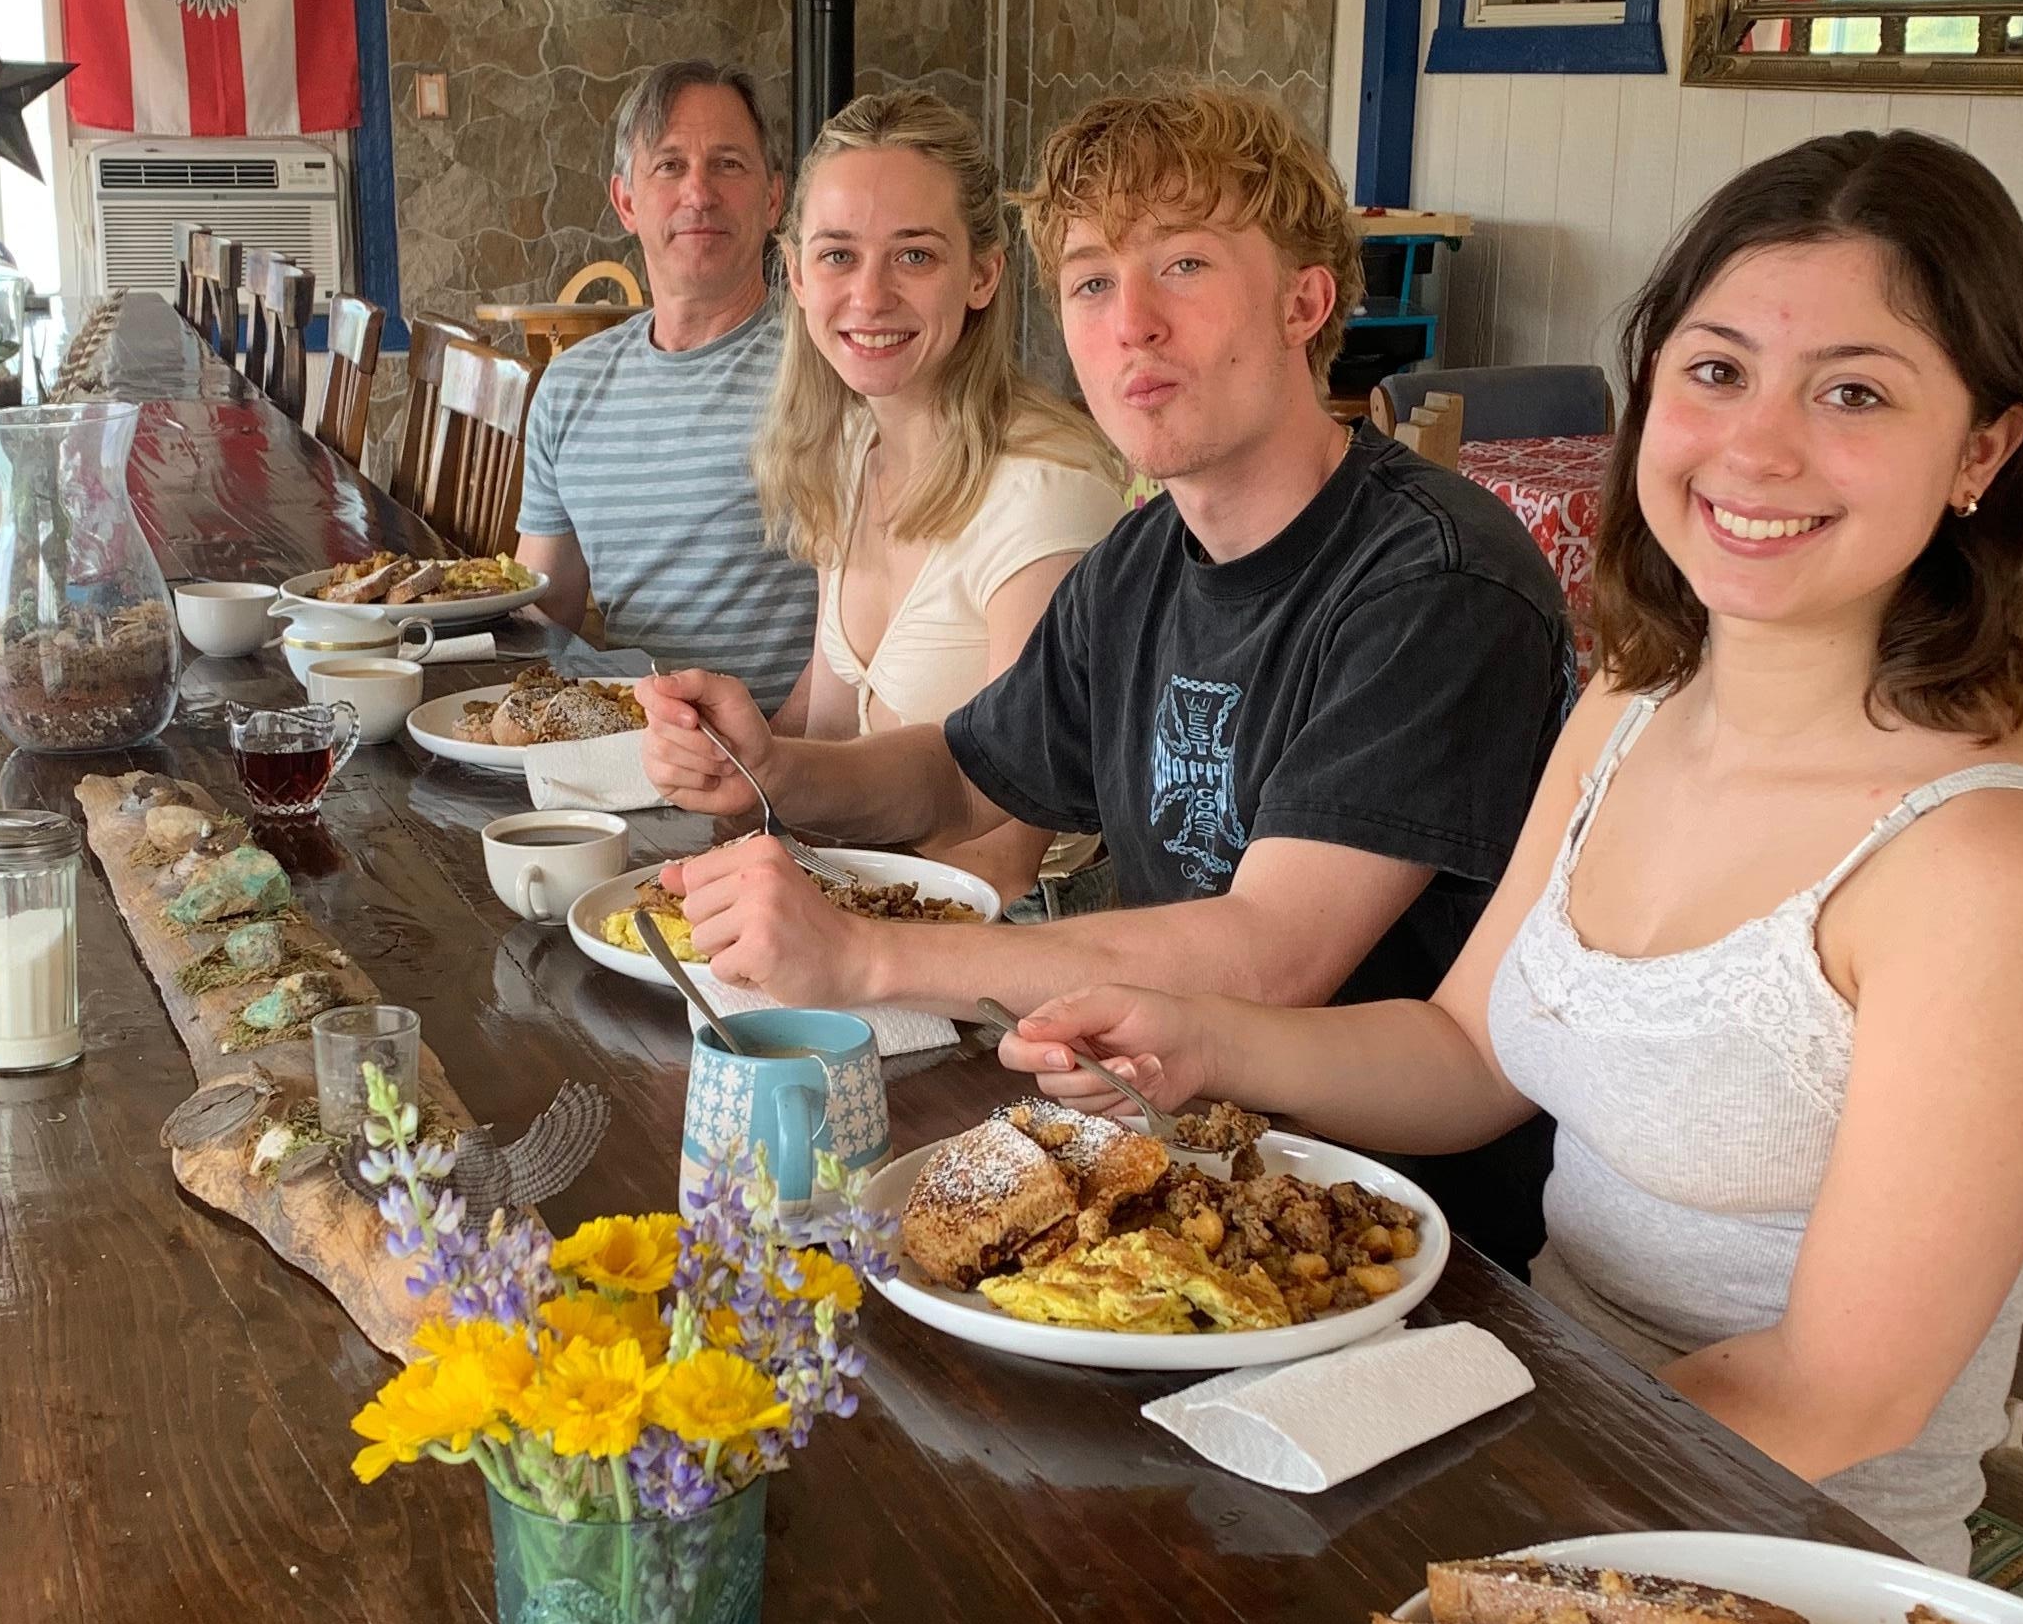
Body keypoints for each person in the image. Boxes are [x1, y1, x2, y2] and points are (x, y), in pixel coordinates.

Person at [1003, 128, 2023, 1568]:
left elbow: (1835, 1392)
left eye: (1854, 391)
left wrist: (1438, 1475)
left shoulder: (1987, 871)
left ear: (1982, 451)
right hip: (1529, 1433)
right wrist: (1200, 1043)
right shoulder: (1635, 703)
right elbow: (1471, 1054)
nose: (1757, 448)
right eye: (1715, 372)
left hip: (1778, 1563)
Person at [643, 83, 1574, 1262]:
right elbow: (971, 774)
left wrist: (870, 954)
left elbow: (1271, 953)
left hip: (1397, 1236)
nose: (1129, 321)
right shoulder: (1145, 556)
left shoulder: (1434, 582)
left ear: (1307, 299)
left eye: (1182, 266)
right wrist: (778, 766)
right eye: (1090, 281)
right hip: (1161, 1164)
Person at [748, 85, 1123, 898]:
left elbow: (1005, 854)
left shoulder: (1045, 491)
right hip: (866, 892)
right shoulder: (852, 442)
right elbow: (826, 720)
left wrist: (805, 919)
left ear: (984, 274)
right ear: (797, 275)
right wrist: (732, 773)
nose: (870, 295)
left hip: (1014, 938)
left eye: (914, 255)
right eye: (838, 255)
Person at [513, 61, 820, 704]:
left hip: (789, 770)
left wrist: (769, 777)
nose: (699, 193)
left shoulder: (827, 368)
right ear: (626, 200)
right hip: (624, 750)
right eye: (670, 165)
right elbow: (543, 618)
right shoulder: (570, 389)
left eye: (729, 164)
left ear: (773, 198)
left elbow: (870, 634)